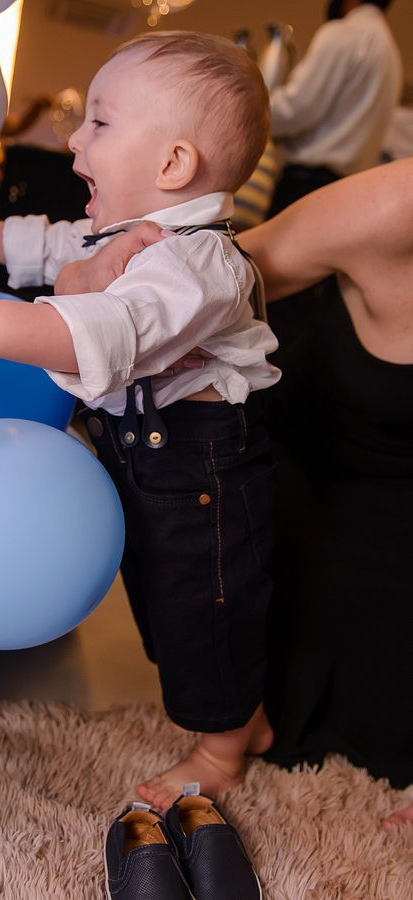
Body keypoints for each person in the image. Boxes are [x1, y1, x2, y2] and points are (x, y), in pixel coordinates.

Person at [0, 31, 281, 810]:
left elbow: (113, 331)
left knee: (203, 605)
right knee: (157, 599)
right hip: (147, 457)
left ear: (172, 165)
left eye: (100, 122)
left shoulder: (201, 266)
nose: (74, 140)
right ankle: (237, 712)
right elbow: (54, 244)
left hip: (200, 471)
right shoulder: (128, 231)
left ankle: (224, 747)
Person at [55, 158, 413, 829]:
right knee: (207, 646)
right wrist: (111, 294)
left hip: (394, 591)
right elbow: (203, 270)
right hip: (274, 520)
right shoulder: (395, 204)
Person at [267, 0, 402, 216]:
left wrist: (254, 115)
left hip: (308, 185)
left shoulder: (343, 33)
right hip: (351, 192)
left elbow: (299, 108)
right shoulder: (391, 53)